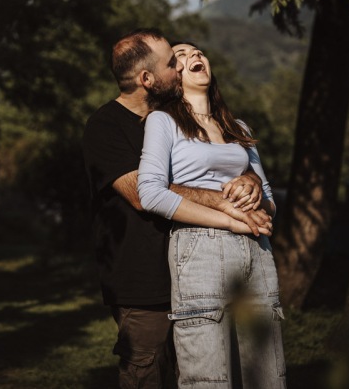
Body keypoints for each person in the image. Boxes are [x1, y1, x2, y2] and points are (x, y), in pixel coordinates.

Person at [82, 30, 273, 389]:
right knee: (149, 371)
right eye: (172, 63)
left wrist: (249, 178)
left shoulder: (176, 119)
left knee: (203, 373)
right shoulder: (106, 126)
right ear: (147, 79)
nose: (179, 66)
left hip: (197, 266)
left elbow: (212, 165)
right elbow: (143, 193)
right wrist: (226, 202)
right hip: (142, 276)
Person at [137, 42, 286, 389]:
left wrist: (251, 184)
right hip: (200, 248)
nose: (195, 57)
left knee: (268, 374)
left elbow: (269, 200)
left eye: (198, 52)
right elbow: (151, 193)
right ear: (173, 76)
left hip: (257, 248)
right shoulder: (163, 121)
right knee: (208, 375)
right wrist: (232, 219)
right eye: (181, 57)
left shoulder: (239, 128)